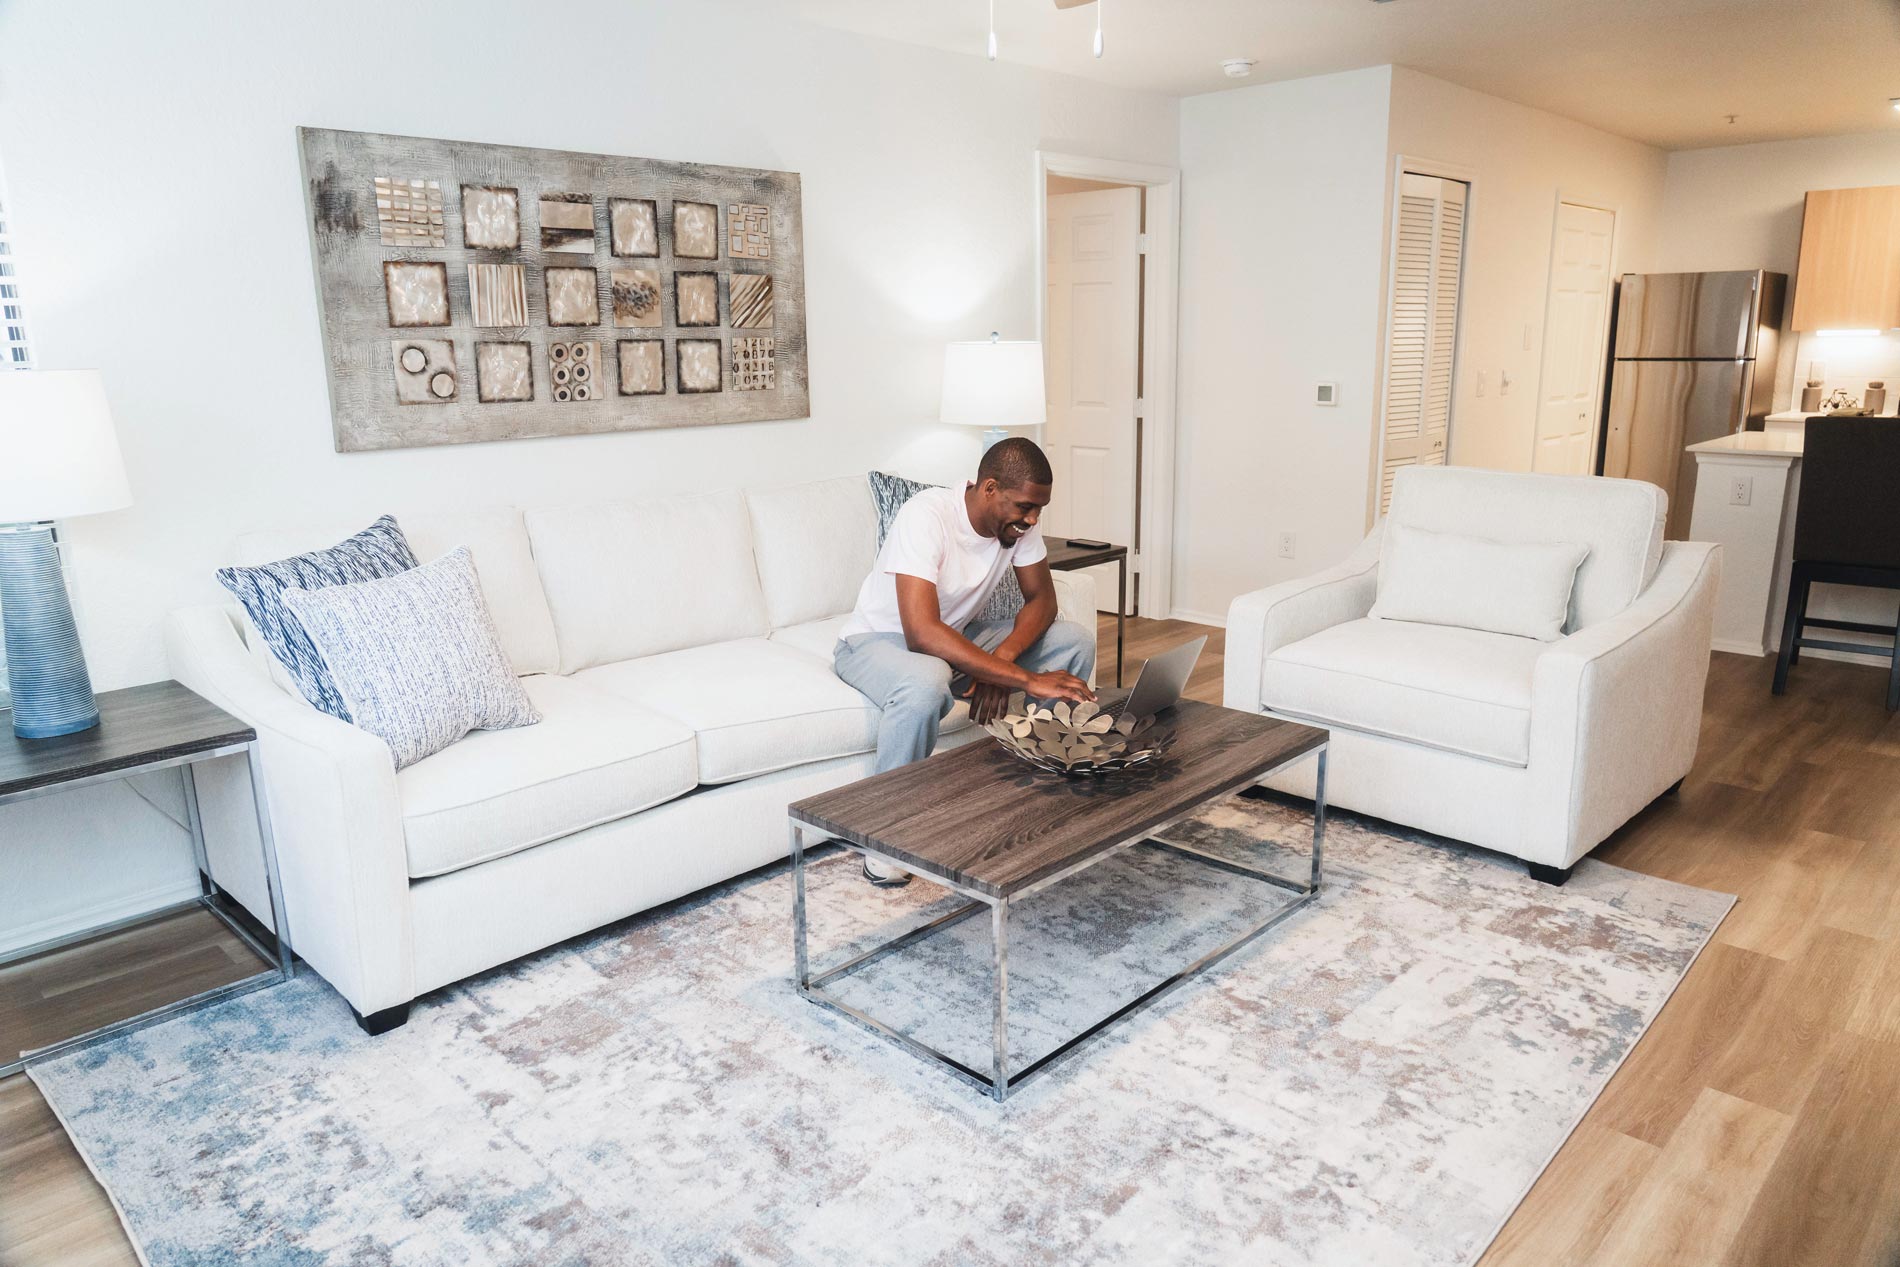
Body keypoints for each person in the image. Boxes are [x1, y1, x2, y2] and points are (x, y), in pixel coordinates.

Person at [835, 437, 1096, 885]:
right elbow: (920, 633)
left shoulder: (1019, 524)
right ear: (989, 487)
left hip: (956, 636)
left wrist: (1002, 657)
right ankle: (884, 839)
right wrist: (1022, 679)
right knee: (925, 682)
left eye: (1039, 509)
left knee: (1073, 641)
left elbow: (1043, 601)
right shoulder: (927, 514)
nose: (1032, 520)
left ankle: (1035, 797)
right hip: (879, 640)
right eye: (1024, 507)